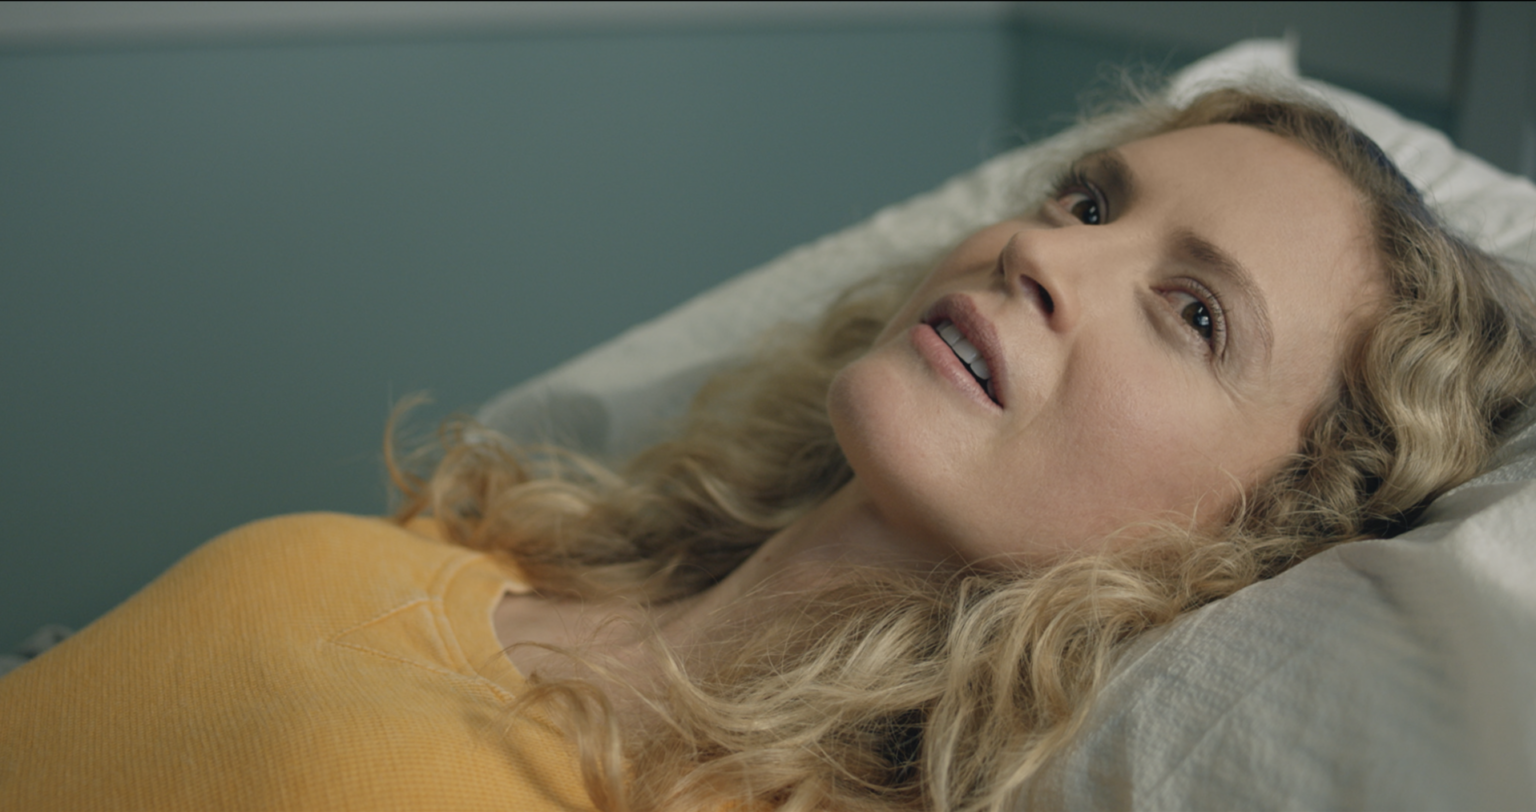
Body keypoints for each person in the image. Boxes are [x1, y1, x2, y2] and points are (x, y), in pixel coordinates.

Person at [3, 85, 1534, 812]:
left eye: (1194, 315)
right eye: (1087, 200)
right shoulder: (494, 539)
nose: (1044, 253)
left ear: (1260, 531)